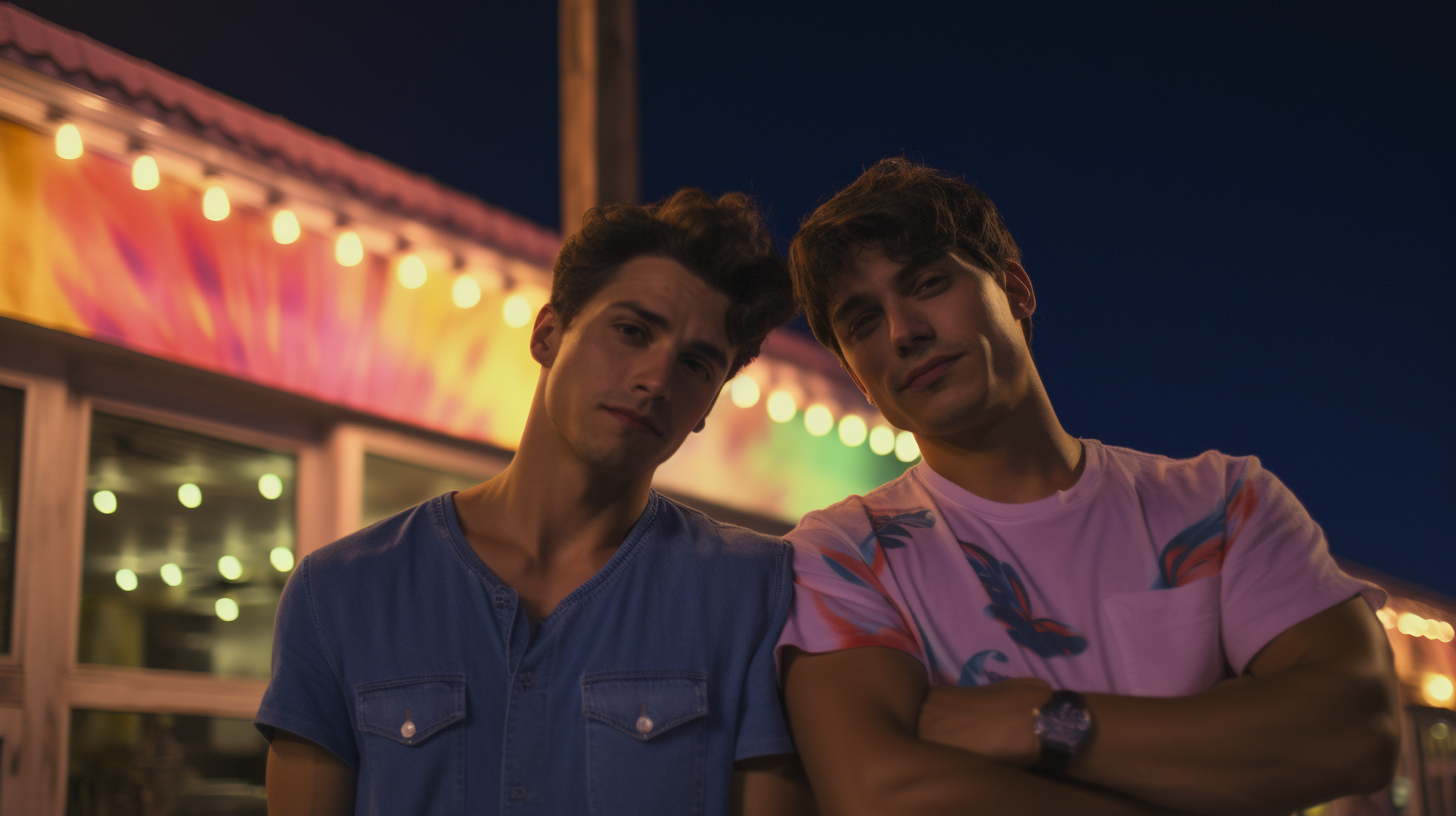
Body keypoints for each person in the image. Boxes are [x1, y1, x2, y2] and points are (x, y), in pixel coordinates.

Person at [777, 158, 1400, 815]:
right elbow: (883, 794)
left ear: (1016, 290)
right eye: (863, 322)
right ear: (855, 373)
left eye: (929, 283)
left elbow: (1357, 731)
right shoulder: (842, 557)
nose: (905, 333)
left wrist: (1044, 722)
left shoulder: (1222, 504)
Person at [256, 189, 811, 816]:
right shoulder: (341, 594)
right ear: (548, 333)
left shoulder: (752, 593)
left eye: (696, 365)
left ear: (708, 406)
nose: (655, 380)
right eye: (631, 331)